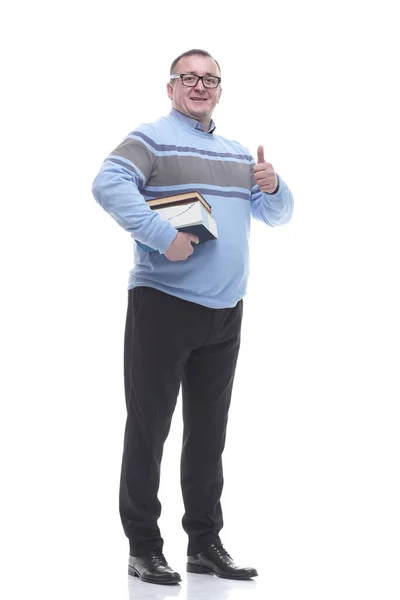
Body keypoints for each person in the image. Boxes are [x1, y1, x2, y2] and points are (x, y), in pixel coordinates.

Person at [92, 48, 294, 586]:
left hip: (226, 313)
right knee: (149, 428)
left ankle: (204, 543)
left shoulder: (234, 152)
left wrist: (273, 185)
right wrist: (162, 236)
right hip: (163, 305)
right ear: (171, 87)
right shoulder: (152, 138)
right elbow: (107, 184)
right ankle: (143, 547)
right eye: (190, 77)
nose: (200, 85)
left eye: (210, 79)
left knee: (209, 434)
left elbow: (278, 215)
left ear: (220, 91)